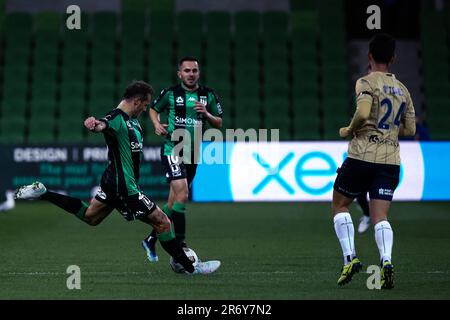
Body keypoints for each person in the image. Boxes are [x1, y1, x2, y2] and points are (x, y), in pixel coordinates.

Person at [14, 80, 220, 275]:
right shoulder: (117, 118)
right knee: (163, 223)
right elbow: (103, 124)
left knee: (90, 217)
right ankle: (191, 268)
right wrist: (94, 124)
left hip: (112, 181)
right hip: (125, 187)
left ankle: (43, 193)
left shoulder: (133, 123)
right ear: (136, 101)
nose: (144, 109)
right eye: (144, 104)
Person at [332, 34, 415, 289]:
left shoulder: (365, 82)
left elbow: (364, 112)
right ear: (393, 58)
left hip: (362, 155)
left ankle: (350, 258)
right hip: (390, 160)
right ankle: (386, 261)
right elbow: (410, 129)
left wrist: (349, 129)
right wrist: (388, 131)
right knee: (381, 217)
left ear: (369, 56)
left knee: (339, 204)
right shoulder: (403, 90)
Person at [141, 57, 223, 266]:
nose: (191, 74)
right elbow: (152, 109)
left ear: (198, 73)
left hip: (194, 153)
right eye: (186, 70)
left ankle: (150, 239)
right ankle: (180, 244)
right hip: (173, 149)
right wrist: (156, 124)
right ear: (180, 74)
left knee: (172, 203)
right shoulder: (170, 93)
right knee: (183, 194)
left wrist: (206, 113)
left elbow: (219, 122)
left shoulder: (208, 95)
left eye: (194, 70)